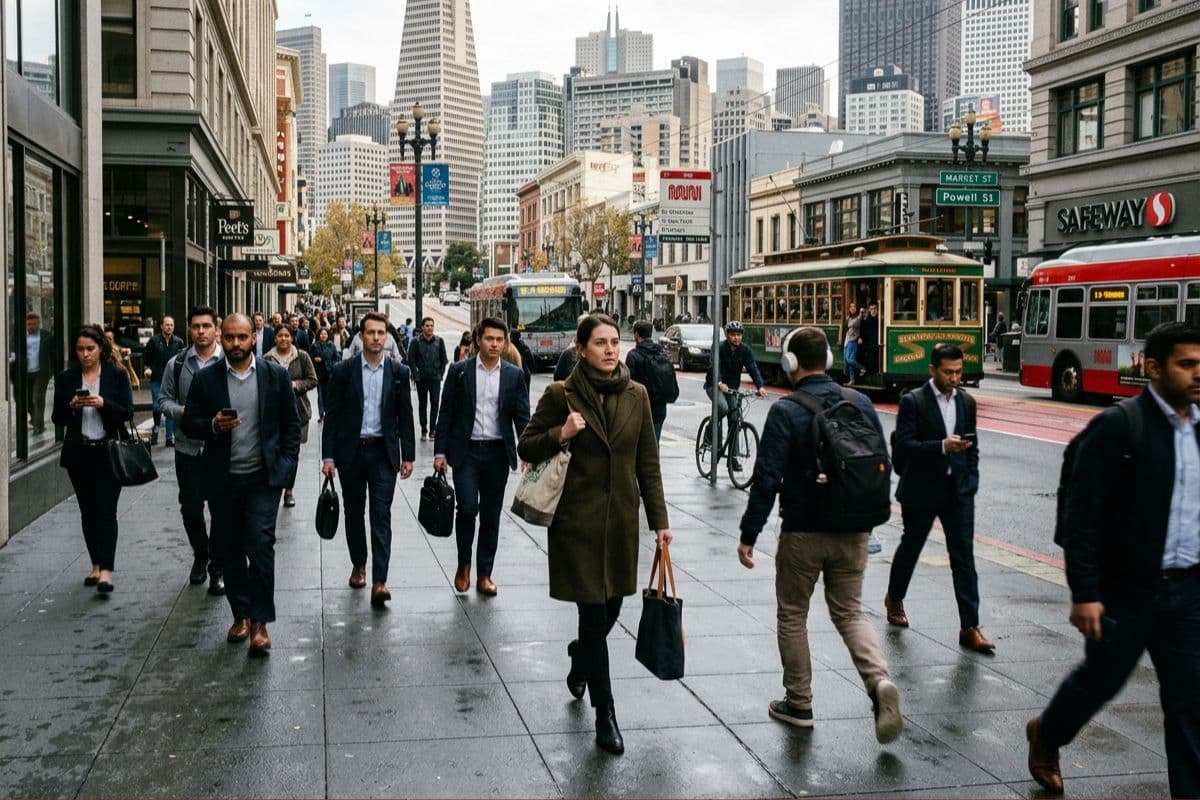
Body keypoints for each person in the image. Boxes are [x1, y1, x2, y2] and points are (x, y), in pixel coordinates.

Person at [1027, 322, 1200, 797]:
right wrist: (1086, 592)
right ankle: (1048, 732)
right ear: (1152, 366)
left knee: (1190, 704)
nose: (1198, 374)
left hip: (1188, 591)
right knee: (1102, 679)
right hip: (1128, 589)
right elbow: (1082, 514)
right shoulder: (1120, 426)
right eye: (1187, 364)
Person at [737, 327, 902, 741]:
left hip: (803, 531)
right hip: (855, 530)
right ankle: (879, 681)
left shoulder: (786, 410)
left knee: (793, 613)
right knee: (850, 611)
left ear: (790, 363)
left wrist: (749, 534)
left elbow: (767, 478)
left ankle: (799, 703)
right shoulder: (860, 401)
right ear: (828, 360)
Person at [517, 313, 671, 756]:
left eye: (615, 342)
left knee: (611, 609)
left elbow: (648, 465)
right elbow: (527, 445)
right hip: (577, 526)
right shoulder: (560, 394)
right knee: (592, 616)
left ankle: (580, 655)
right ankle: (606, 713)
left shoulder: (636, 395)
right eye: (600, 343)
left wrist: (660, 522)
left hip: (622, 523)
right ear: (581, 349)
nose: (609, 350)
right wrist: (561, 433)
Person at [182, 314, 302, 657]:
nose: (236, 344)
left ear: (254, 338)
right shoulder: (206, 380)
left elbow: (290, 425)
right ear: (222, 337)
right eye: (231, 338)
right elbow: (190, 423)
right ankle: (242, 614)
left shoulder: (274, 375)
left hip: (264, 478)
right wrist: (213, 426)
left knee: (261, 544)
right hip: (224, 480)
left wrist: (285, 466)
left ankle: (261, 623)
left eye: (243, 337)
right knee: (229, 549)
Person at [885, 343, 994, 654]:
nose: (955, 378)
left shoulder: (968, 403)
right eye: (948, 372)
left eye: (959, 372)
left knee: (963, 558)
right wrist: (942, 447)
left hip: (957, 490)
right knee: (912, 546)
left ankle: (969, 627)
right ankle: (894, 597)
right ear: (933, 370)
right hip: (921, 488)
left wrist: (970, 480)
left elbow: (972, 447)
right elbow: (905, 446)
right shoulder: (913, 402)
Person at [322, 311, 416, 607]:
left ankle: (380, 581)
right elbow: (333, 417)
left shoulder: (399, 373)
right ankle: (359, 564)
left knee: (380, 514)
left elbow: (406, 417)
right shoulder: (343, 371)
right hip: (350, 452)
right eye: (371, 333)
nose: (376, 338)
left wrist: (408, 456)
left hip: (382, 454)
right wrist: (328, 457)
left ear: (387, 337)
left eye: (381, 333)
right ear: (360, 336)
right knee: (353, 513)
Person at [435, 317, 530, 596]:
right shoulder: (459, 371)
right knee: (466, 508)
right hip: (466, 453)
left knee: (491, 516)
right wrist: (440, 451)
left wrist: (527, 450)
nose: (495, 344)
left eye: (500, 340)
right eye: (490, 339)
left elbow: (522, 416)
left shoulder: (513, 375)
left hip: (498, 454)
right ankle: (464, 564)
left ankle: (485, 573)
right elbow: (446, 413)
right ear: (478, 340)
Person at [51, 325, 135, 593]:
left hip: (108, 451)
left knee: (106, 511)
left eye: (90, 349)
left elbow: (127, 412)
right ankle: (96, 564)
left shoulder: (116, 375)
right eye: (80, 349)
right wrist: (72, 407)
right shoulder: (66, 379)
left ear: (101, 348)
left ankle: (107, 571)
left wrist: (103, 404)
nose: (85, 354)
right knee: (88, 512)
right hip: (79, 454)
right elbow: (57, 418)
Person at [159, 306, 226, 595]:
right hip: (188, 449)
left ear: (216, 330)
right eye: (196, 326)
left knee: (222, 511)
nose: (201, 331)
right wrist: (182, 412)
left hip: (222, 449)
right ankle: (201, 553)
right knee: (190, 509)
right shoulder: (177, 364)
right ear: (189, 329)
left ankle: (218, 567)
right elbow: (163, 400)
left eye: (206, 326)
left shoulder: (230, 360)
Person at [265, 326, 318, 508]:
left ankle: (289, 491)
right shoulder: (267, 358)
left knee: (292, 453)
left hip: (298, 412)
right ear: (275, 338)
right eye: (280, 335)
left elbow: (312, 380)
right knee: (275, 451)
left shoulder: (301, 356)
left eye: (287, 335)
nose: (284, 339)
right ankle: (275, 487)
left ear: (292, 338)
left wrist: (295, 385)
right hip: (274, 414)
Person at [703, 321, 768, 467]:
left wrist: (760, 386)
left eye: (739, 335)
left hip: (732, 388)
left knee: (735, 419)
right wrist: (719, 383)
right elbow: (715, 366)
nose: (736, 338)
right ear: (727, 335)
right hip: (714, 385)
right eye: (733, 335)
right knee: (723, 408)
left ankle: (733, 458)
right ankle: (709, 433)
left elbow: (752, 368)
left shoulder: (745, 350)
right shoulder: (718, 347)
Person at [143, 316, 185, 446]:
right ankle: (156, 427)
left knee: (170, 408)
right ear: (161, 326)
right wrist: (147, 369)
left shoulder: (179, 342)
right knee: (157, 407)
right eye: (167, 325)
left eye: (171, 325)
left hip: (173, 380)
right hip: (157, 378)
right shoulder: (153, 341)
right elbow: (146, 360)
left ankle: (169, 437)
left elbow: (182, 361)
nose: (169, 327)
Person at [625, 320, 670, 441]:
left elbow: (627, 383)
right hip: (660, 405)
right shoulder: (661, 353)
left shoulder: (633, 355)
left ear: (636, 335)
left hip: (639, 406)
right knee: (654, 443)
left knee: (638, 444)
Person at [407, 317, 448, 441]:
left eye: (431, 325)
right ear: (422, 327)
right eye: (427, 326)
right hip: (422, 379)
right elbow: (411, 359)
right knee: (422, 404)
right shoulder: (416, 342)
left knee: (435, 403)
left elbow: (444, 359)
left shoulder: (439, 341)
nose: (429, 328)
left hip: (435, 378)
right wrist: (416, 374)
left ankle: (432, 430)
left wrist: (440, 374)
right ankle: (423, 430)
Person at [22, 312, 57, 435]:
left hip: (41, 373)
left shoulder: (46, 336)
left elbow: (54, 354)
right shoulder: (22, 337)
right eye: (29, 324)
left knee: (38, 398)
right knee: (27, 400)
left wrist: (51, 370)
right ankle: (34, 419)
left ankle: (39, 425)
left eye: (34, 324)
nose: (31, 326)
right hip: (26, 373)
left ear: (39, 324)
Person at [311, 326, 340, 423]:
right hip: (319, 373)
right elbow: (312, 359)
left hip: (330, 373)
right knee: (320, 394)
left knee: (329, 394)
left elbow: (336, 358)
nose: (323, 336)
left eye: (325, 334)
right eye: (321, 334)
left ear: (328, 335)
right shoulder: (315, 346)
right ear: (319, 335)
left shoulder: (332, 346)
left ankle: (328, 413)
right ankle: (321, 414)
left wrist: (329, 363)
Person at [843, 304, 863, 385]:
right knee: (847, 362)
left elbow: (858, 326)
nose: (853, 308)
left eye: (854, 307)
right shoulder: (848, 317)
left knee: (850, 360)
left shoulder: (858, 317)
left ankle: (862, 368)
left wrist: (859, 337)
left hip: (853, 341)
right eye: (851, 307)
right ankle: (852, 379)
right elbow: (845, 327)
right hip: (847, 341)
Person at [859, 302, 880, 374]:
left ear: (877, 310)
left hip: (877, 342)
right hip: (869, 343)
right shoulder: (867, 320)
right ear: (869, 310)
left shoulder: (880, 319)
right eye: (871, 309)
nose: (873, 311)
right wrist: (860, 337)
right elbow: (862, 329)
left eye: (875, 309)